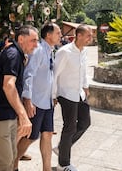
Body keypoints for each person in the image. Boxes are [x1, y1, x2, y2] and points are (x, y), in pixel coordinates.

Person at [0, 25, 39, 171]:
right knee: (4, 162)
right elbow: (9, 86)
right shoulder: (13, 55)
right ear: (21, 39)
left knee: (11, 159)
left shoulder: (18, 55)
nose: (36, 45)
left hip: (7, 115)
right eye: (33, 40)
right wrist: (23, 115)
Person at [14, 22, 62, 171]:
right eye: (58, 33)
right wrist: (28, 100)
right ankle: (12, 163)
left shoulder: (50, 51)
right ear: (48, 35)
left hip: (47, 102)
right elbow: (29, 75)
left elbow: (49, 76)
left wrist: (53, 95)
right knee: (30, 136)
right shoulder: (39, 50)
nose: (60, 36)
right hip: (35, 102)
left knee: (47, 134)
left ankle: (46, 169)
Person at [52, 24, 93, 171]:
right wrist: (53, 95)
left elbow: (83, 71)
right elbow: (55, 74)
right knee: (69, 127)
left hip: (79, 94)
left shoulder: (84, 51)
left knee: (85, 123)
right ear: (79, 35)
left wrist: (86, 87)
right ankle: (63, 164)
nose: (91, 38)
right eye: (88, 35)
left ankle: (62, 147)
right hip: (66, 94)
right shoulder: (65, 52)